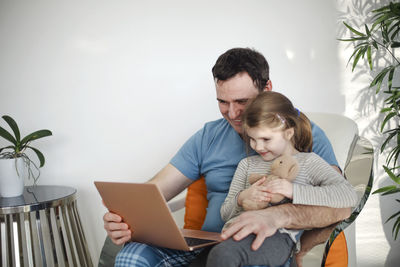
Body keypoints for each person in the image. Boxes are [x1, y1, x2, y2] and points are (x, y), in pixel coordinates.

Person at [104, 47, 351, 267]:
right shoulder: (209, 136)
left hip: (260, 244)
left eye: (242, 101)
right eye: (222, 101)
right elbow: (154, 192)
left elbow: (342, 205)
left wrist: (279, 214)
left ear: (267, 89)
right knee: (131, 256)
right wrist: (123, 218)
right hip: (206, 241)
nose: (232, 113)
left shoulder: (303, 134)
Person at [205, 91, 358, 267]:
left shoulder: (309, 162)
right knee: (209, 257)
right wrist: (241, 198)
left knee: (224, 256)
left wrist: (293, 191)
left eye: (265, 139)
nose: (258, 146)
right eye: (252, 139)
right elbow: (225, 213)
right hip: (236, 232)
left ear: (288, 133)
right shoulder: (246, 165)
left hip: (279, 237)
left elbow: (348, 194)